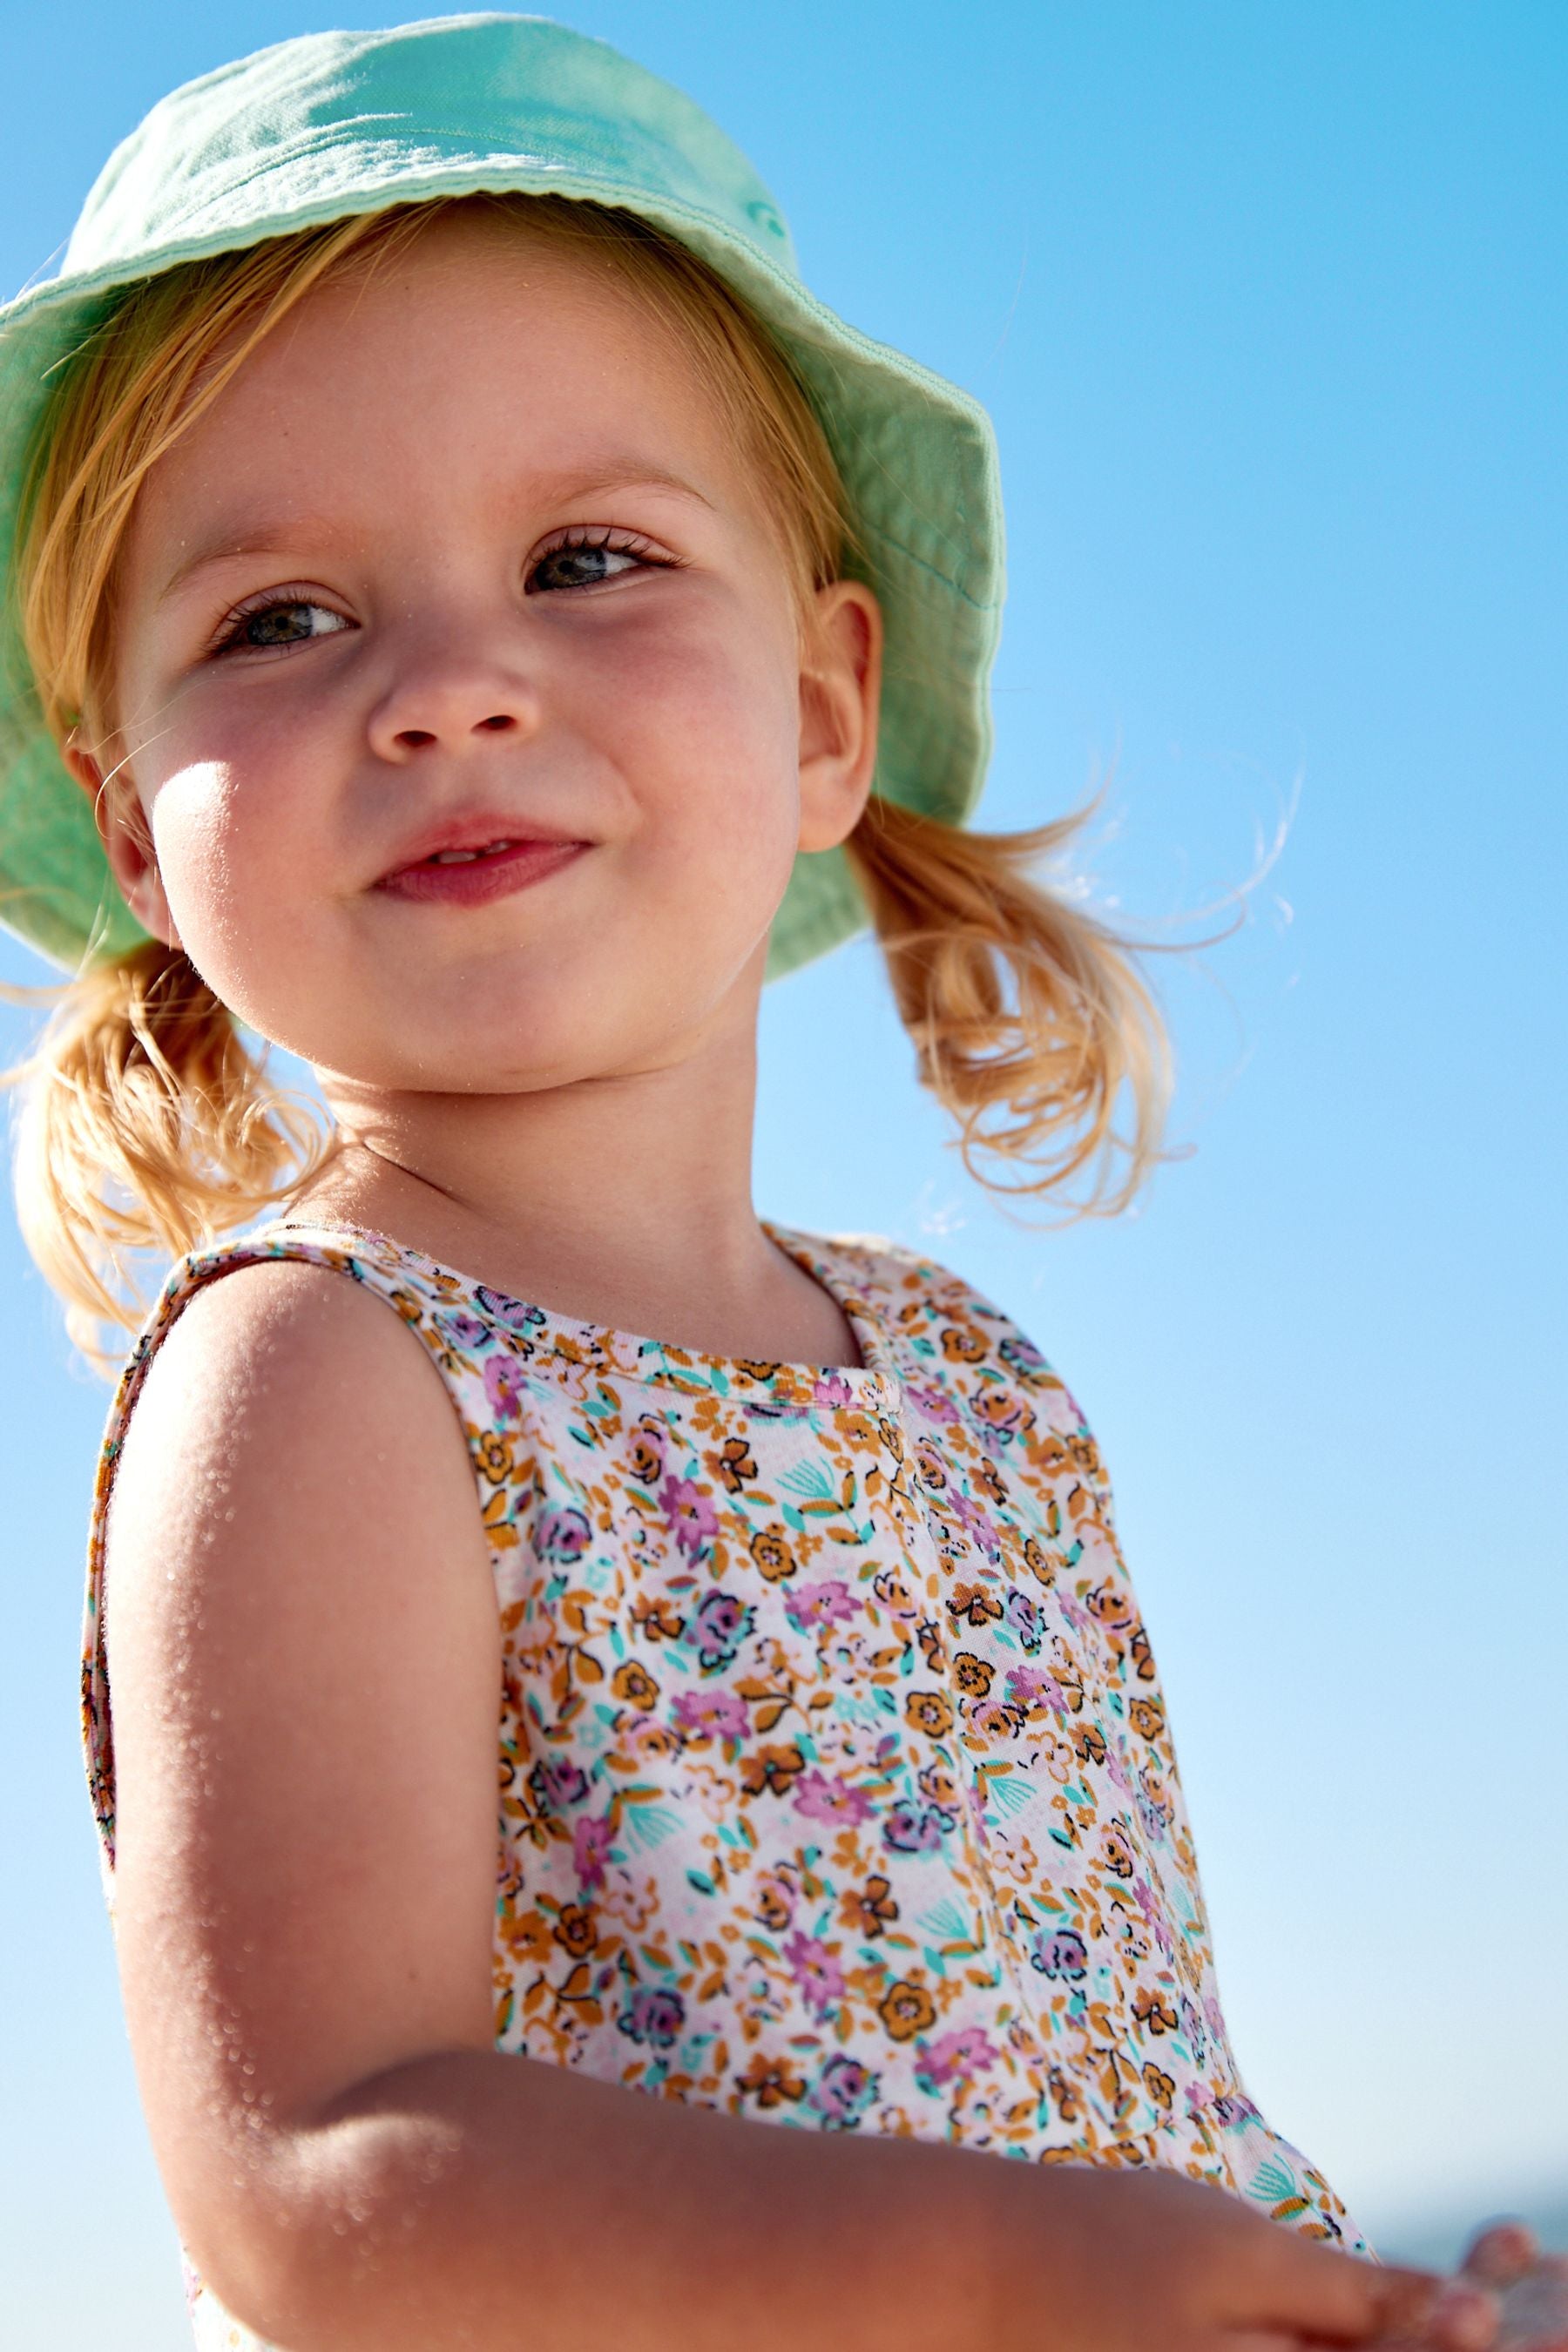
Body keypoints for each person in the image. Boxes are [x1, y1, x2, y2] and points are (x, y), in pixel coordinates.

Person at [1, 18, 1562, 2352]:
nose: (445, 683)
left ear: (828, 708)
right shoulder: (318, 1370)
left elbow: (1110, 2099)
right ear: (135, 825)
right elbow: (315, 2178)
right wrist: (1012, 2274)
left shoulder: (976, 1384)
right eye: (279, 620)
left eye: (586, 556)